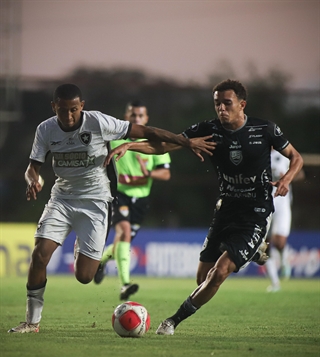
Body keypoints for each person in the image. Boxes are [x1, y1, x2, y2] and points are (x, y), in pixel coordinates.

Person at [8, 83, 215, 333]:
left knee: (85, 276)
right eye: (63, 110)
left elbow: (145, 131)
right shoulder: (45, 129)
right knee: (39, 255)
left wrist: (184, 141)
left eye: (74, 109)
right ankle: (32, 322)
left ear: (82, 106)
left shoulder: (98, 122)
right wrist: (31, 181)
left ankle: (80, 247)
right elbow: (33, 167)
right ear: (54, 107)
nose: (69, 115)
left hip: (96, 202)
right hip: (62, 199)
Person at [106, 79, 303, 335]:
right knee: (202, 279)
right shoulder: (208, 130)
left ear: (242, 105)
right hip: (226, 209)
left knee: (219, 273)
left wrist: (286, 179)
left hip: (255, 212)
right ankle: (253, 252)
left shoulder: (265, 129)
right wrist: (132, 145)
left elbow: (296, 158)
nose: (221, 108)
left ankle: (172, 321)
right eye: (217, 103)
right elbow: (166, 145)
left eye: (227, 103)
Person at [94, 100, 171, 301]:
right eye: (132, 115)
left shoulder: (153, 144)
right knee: (124, 232)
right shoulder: (114, 139)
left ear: (146, 119)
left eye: (140, 116)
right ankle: (125, 284)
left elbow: (165, 174)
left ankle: (100, 262)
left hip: (141, 200)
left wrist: (148, 174)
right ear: (126, 117)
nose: (136, 119)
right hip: (119, 195)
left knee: (123, 241)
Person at [265, 149, 305, 292]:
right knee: (264, 246)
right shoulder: (258, 154)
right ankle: (275, 283)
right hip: (264, 204)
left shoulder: (285, 155)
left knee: (279, 241)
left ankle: (283, 260)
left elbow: (300, 174)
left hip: (282, 203)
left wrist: (287, 177)